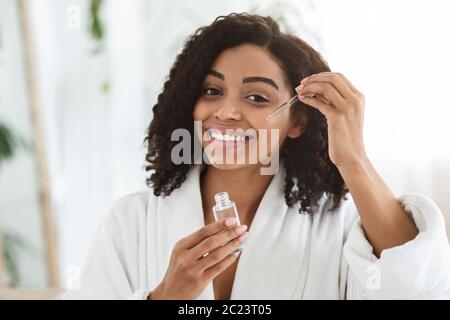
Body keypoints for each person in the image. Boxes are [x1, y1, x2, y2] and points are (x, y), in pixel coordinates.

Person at [60, 13, 450, 300]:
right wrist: (167, 295)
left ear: (297, 121)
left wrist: (353, 160)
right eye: (212, 91)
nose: (227, 111)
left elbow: (418, 290)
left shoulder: (340, 226)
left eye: (257, 97)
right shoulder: (131, 223)